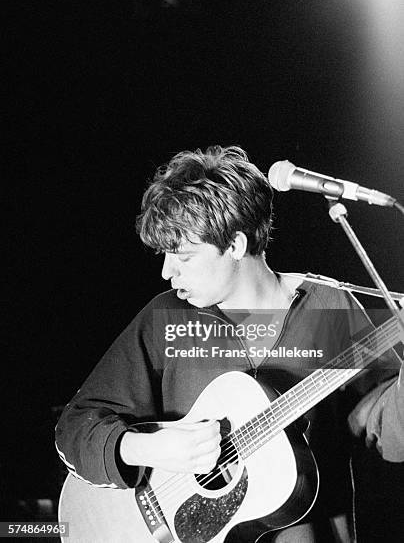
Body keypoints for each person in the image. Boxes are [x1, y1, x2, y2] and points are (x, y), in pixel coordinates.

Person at [56, 145, 381, 542]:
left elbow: (387, 430)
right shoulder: (167, 319)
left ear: (235, 247)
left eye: (184, 257)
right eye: (165, 255)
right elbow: (74, 427)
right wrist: (144, 449)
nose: (165, 272)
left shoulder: (330, 308)